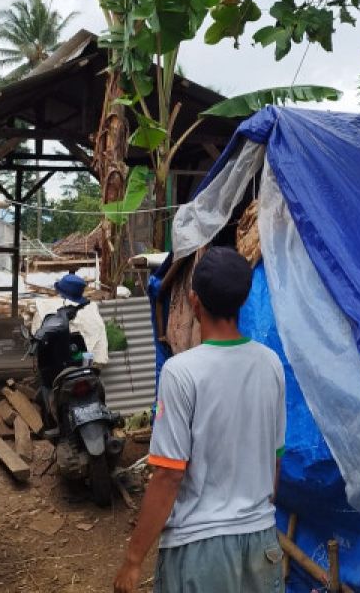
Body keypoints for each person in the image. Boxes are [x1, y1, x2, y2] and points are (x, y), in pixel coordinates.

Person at [114, 246, 286, 593]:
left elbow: (167, 475)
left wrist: (133, 561)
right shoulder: (271, 364)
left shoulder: (181, 373)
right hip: (261, 544)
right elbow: (275, 462)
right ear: (242, 301)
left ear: (194, 302)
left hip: (201, 548)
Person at [30, 273, 110, 364]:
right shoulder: (91, 310)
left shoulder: (45, 307)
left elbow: (35, 332)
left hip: (60, 360)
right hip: (88, 358)